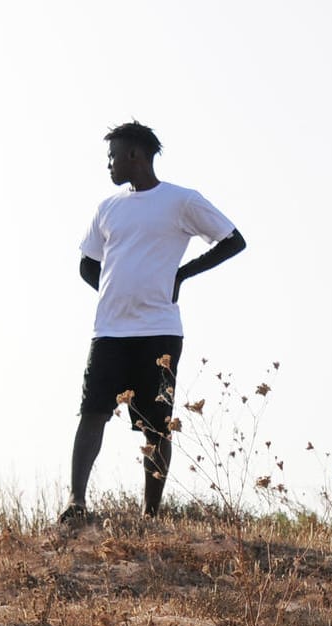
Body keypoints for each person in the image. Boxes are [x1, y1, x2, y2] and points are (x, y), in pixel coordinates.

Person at [63, 121, 246, 522]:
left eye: (112, 156)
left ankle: (151, 514)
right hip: (109, 332)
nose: (108, 164)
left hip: (159, 332)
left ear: (134, 156)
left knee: (155, 426)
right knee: (92, 412)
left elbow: (233, 239)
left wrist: (182, 274)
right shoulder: (107, 207)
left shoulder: (180, 200)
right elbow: (86, 264)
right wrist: (116, 291)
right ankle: (76, 503)